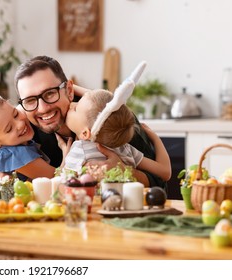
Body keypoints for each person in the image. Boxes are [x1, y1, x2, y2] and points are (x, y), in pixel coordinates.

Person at [14, 55, 167, 188]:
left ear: (69, 90)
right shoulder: (25, 134)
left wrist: (126, 172)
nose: (42, 108)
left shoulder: (112, 118)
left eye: (49, 94)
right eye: (30, 100)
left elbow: (161, 182)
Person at [64, 87, 171, 183]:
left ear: (85, 133)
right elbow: (165, 173)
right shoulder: (126, 149)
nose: (71, 104)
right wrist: (155, 139)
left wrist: (65, 156)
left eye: (75, 109)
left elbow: (62, 183)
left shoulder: (79, 150)